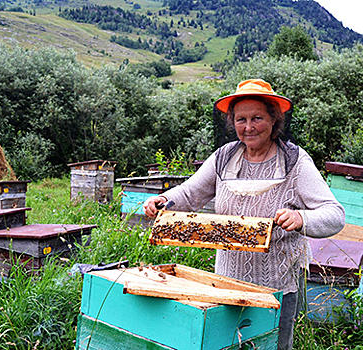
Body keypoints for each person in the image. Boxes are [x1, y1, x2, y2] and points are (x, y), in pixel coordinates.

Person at [143, 79, 345, 350]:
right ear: (232, 122)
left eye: (257, 118)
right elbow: (191, 193)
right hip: (225, 283)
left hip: (277, 287)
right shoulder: (224, 157)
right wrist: (165, 200)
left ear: (274, 119)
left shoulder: (295, 162)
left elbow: (335, 215)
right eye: (241, 120)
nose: (248, 127)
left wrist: (301, 220)